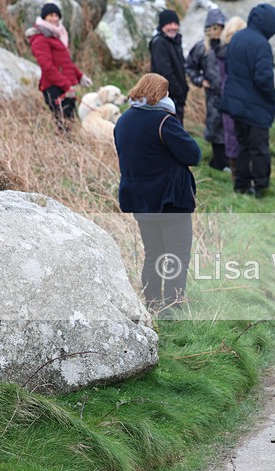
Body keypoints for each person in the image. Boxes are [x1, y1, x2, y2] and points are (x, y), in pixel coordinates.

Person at [114, 73, 201, 312]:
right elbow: (193, 154)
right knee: (176, 256)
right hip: (170, 200)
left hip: (139, 200)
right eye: (166, 92)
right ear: (159, 94)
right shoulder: (164, 120)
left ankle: (152, 305)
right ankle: (173, 307)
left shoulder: (123, 120)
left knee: (153, 254)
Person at [223, 3, 275, 197]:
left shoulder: (237, 37)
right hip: (256, 107)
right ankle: (261, 187)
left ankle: (241, 185)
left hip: (236, 105)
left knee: (243, 145)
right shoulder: (261, 44)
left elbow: (229, 69)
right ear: (268, 25)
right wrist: (273, 97)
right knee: (259, 149)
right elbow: (263, 78)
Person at [26, 2, 92, 131]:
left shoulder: (56, 36)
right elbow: (47, 67)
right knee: (64, 126)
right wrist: (66, 86)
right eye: (51, 15)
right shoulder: (40, 39)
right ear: (44, 17)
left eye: (57, 15)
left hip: (65, 87)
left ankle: (69, 143)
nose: (54, 18)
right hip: (54, 88)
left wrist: (80, 77)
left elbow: (65, 62)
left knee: (70, 124)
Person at [186, 8, 227, 171]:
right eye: (214, 27)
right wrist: (200, 80)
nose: (216, 31)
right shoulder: (202, 48)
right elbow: (189, 66)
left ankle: (230, 161)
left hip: (231, 93)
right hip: (213, 95)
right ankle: (218, 163)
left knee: (231, 126)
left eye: (219, 27)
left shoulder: (230, 45)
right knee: (215, 126)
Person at [214, 16, 247, 183]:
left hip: (228, 99)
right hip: (235, 99)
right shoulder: (233, 54)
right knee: (237, 136)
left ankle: (237, 174)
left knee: (232, 136)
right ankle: (240, 175)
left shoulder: (221, 53)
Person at [150, 9, 188, 124]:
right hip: (166, 97)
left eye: (176, 24)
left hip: (176, 98)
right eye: (169, 24)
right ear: (162, 26)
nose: (173, 27)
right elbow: (164, 72)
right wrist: (178, 92)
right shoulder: (159, 43)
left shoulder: (174, 42)